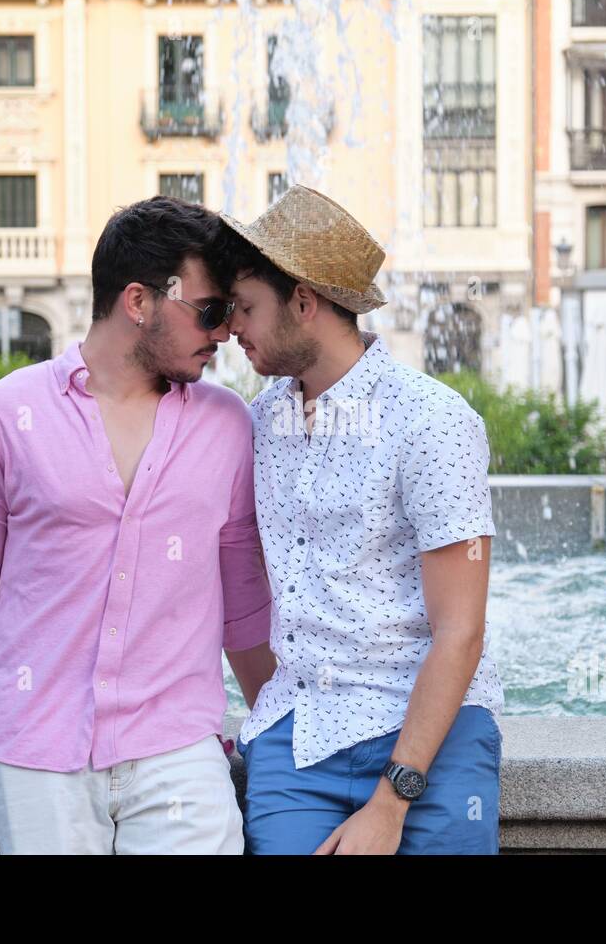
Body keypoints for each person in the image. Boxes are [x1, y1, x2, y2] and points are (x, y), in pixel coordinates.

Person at [0, 196, 278, 854]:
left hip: (178, 749)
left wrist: (278, 726)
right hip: (39, 749)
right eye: (208, 311)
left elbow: (243, 597)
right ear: (139, 302)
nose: (226, 331)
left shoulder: (226, 423)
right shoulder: (1, 416)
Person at [219, 185, 504, 854]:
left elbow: (460, 631)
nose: (234, 327)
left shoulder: (432, 422)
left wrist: (389, 802)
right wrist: (275, 716)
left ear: (305, 303)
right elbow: (252, 594)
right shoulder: (257, 424)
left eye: (248, 308)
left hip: (433, 734)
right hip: (300, 733)